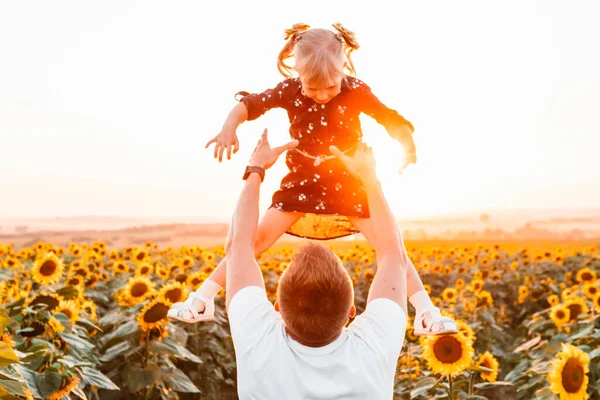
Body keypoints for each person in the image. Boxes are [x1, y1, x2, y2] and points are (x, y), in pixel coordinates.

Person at [168, 22, 456, 336]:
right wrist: (229, 129)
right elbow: (248, 106)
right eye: (312, 88)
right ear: (298, 73)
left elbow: (390, 119)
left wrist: (407, 146)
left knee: (390, 248)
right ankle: (202, 299)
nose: (321, 95)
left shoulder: (356, 90)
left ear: (343, 68)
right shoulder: (288, 90)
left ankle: (426, 313)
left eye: (330, 87)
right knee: (254, 242)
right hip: (301, 184)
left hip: (348, 183)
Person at [226, 129, 408, 399]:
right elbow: (393, 252)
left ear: (278, 310)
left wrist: (256, 169)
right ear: (350, 312)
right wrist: (368, 177)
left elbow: (238, 246)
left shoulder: (257, 339)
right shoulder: (374, 347)